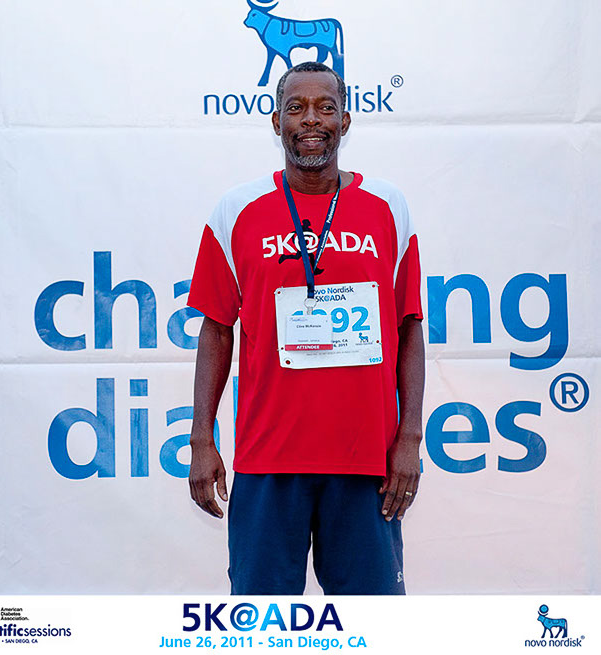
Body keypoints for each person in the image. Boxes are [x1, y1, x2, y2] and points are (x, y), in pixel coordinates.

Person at [187, 61, 424, 595]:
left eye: (325, 107)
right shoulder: (237, 209)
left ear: (345, 120)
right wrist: (202, 438)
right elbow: (216, 330)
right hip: (268, 460)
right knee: (261, 624)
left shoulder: (388, 206)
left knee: (374, 625)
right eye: (295, 108)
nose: (310, 120)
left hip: (366, 461)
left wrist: (409, 438)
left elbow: (409, 326)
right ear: (276, 123)